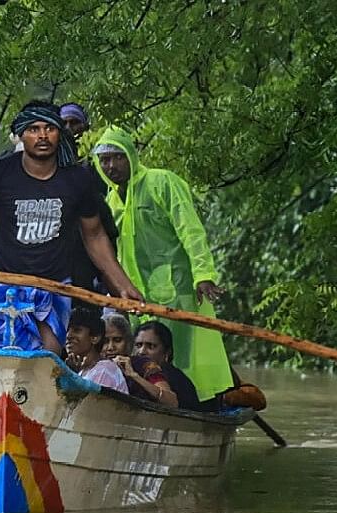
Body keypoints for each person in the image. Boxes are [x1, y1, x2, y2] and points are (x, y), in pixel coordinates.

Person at [0, 101, 142, 356]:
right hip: (4, 284)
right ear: (22, 134)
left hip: (55, 285)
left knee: (50, 357)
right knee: (2, 356)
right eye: (33, 129)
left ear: (59, 133)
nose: (42, 136)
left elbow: (95, 236)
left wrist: (123, 285)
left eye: (49, 128)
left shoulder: (78, 179)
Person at [93, 126, 235, 403]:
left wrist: (203, 273)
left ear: (131, 156)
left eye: (118, 157)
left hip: (178, 288)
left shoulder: (162, 183)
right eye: (105, 160)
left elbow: (190, 228)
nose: (111, 165)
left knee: (180, 353)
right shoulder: (111, 201)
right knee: (145, 355)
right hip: (138, 295)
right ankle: (153, 398)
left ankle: (191, 403)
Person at [132, 321, 218, 412]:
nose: (141, 351)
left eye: (151, 346)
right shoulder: (129, 371)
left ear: (167, 352)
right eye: (138, 345)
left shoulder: (174, 378)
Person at [102, 313, 182, 406]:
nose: (111, 347)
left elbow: (172, 401)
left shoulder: (143, 364)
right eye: (105, 341)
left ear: (128, 342)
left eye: (117, 340)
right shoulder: (91, 365)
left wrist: (134, 375)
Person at [65, 308, 129, 394]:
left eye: (77, 330)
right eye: (67, 330)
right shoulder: (82, 371)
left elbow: (88, 405)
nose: (68, 336)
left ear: (95, 338)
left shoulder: (105, 370)